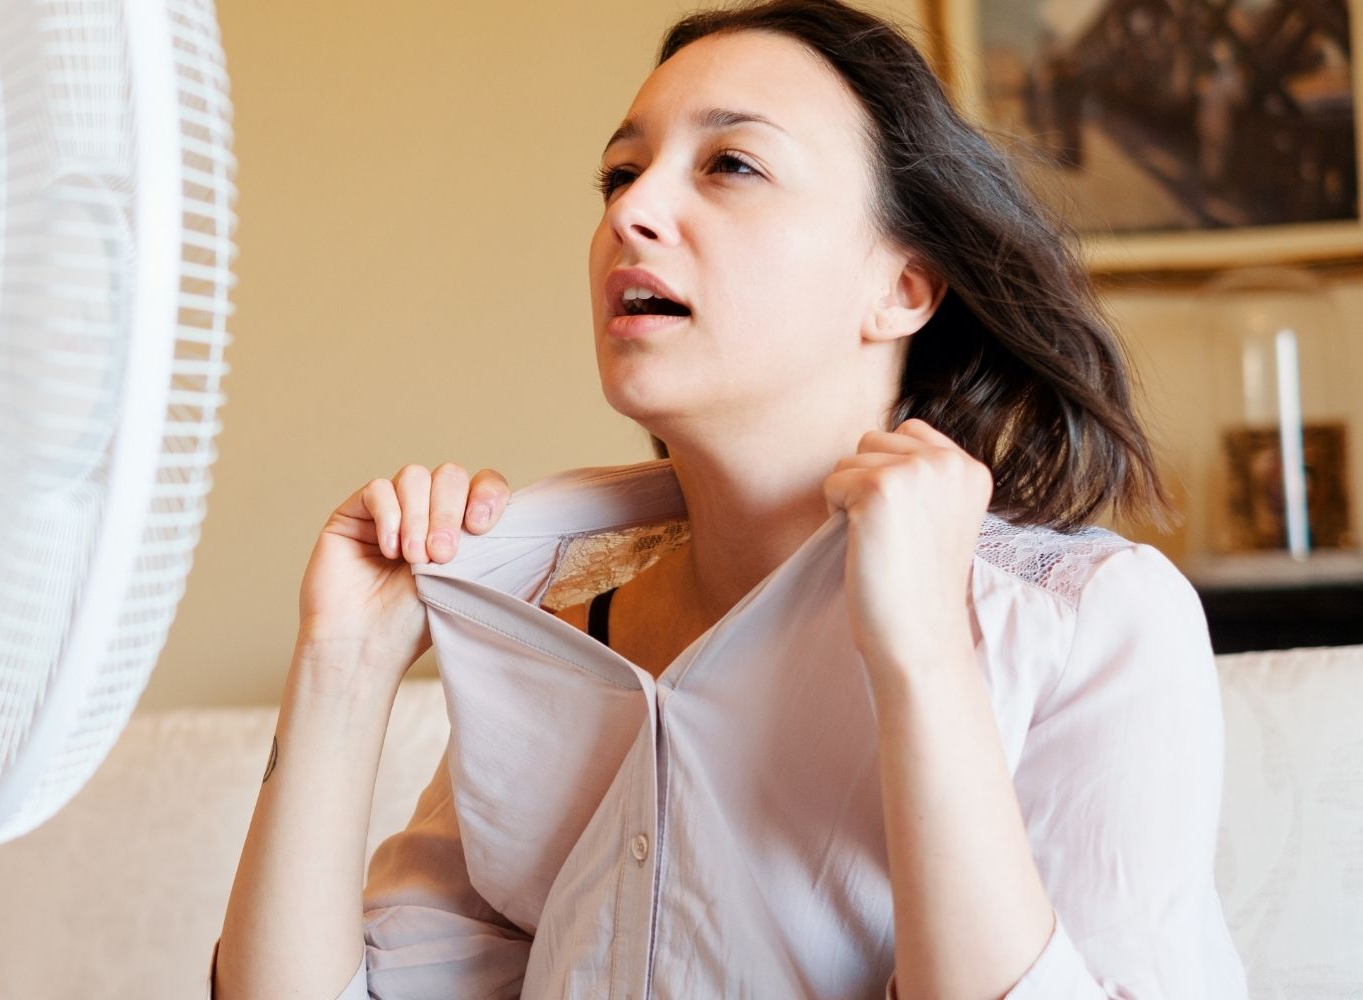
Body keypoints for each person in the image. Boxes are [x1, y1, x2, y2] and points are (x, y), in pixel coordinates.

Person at [213, 1, 1247, 997]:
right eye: (620, 172)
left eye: (732, 164)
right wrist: (342, 666)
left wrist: (923, 653)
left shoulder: (1087, 622)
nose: (631, 209)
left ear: (904, 286)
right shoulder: (548, 641)